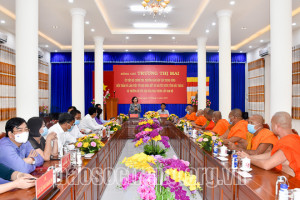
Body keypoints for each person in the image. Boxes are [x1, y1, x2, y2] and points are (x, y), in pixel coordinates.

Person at [238, 112, 300, 179]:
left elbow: (266, 165)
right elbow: (271, 154)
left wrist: (249, 158)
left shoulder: (288, 143)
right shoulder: (294, 139)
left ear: (277, 126)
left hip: (294, 185)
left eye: (272, 124)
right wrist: (247, 156)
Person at [0, 118, 44, 184]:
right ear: (10, 134)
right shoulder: (4, 147)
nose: (24, 132)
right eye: (20, 130)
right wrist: (28, 163)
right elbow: (23, 170)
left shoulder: (25, 142)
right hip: (7, 186)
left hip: (23, 181)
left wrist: (31, 160)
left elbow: (40, 159)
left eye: (26, 129)